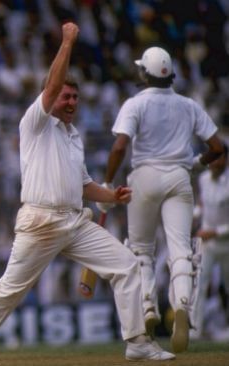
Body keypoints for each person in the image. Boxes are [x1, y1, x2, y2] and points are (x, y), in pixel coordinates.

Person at [0, 23, 174, 366]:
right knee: (10, 290)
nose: (71, 102)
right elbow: (52, 86)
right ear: (49, 98)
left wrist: (113, 197)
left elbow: (83, 185)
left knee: (126, 265)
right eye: (66, 97)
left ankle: (137, 341)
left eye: (75, 98)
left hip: (74, 221)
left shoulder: (73, 136)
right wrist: (66, 42)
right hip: (40, 221)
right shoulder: (34, 123)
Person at [100, 46, 225, 353]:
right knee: (181, 250)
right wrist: (197, 163)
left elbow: (119, 147)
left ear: (145, 73)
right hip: (179, 177)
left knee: (141, 249)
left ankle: (147, 310)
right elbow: (219, 147)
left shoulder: (135, 103)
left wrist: (107, 182)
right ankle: (181, 304)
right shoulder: (188, 105)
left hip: (144, 176)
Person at [191, 144, 229, 340]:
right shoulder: (203, 179)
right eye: (213, 158)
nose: (215, 162)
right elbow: (201, 205)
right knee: (199, 285)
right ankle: (194, 330)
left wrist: (214, 232)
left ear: (226, 160)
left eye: (220, 158)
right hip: (208, 245)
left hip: (226, 244)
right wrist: (193, 216)